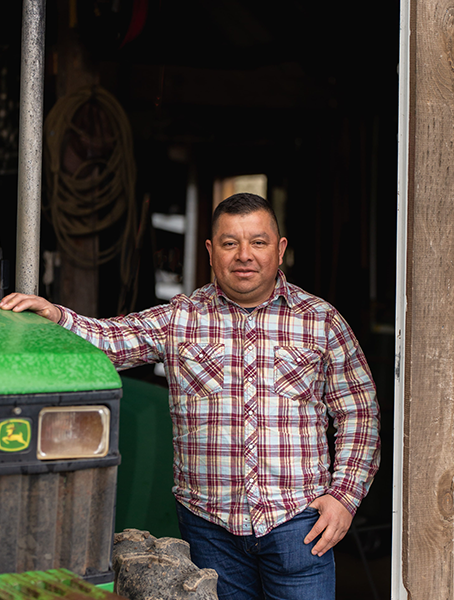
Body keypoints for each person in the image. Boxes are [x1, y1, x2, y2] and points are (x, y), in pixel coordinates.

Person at [0, 193, 380, 600]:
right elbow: (111, 339)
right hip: (209, 529)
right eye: (230, 243)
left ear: (280, 249)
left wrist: (343, 497)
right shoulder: (181, 317)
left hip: (298, 527)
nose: (244, 255)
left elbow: (360, 412)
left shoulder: (321, 321)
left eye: (258, 242)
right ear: (211, 251)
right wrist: (57, 317)